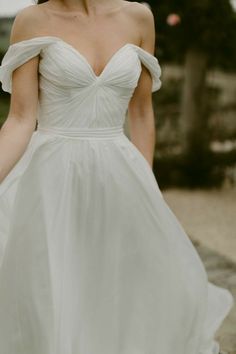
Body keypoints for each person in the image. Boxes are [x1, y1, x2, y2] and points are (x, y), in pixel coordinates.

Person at [0, 1, 234, 353]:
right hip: (51, 184)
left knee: (119, 292)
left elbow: (141, 113)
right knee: (58, 294)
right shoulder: (33, 20)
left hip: (120, 175)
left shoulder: (139, 17)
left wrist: (145, 192)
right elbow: (20, 119)